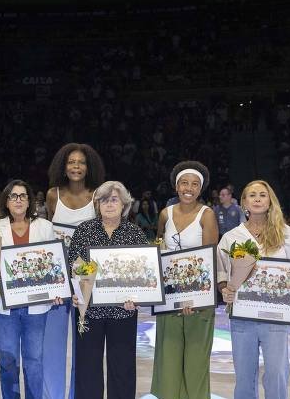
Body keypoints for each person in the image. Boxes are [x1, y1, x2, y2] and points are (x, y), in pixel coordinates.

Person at [217, 180, 290, 399]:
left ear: (270, 200)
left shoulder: (287, 233)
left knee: (276, 373)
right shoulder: (230, 237)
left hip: (277, 317)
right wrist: (224, 289)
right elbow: (222, 275)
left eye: (262, 195)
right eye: (252, 195)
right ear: (244, 202)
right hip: (242, 317)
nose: (257, 199)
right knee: (245, 378)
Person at [0, 180, 61, 399]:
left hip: (36, 306)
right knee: (7, 360)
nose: (18, 200)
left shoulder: (44, 227)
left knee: (34, 360)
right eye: (13, 196)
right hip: (2, 305)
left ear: (30, 201)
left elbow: (53, 265)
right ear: (6, 202)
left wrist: (57, 288)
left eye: (23, 196)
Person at [68, 181, 145, 399]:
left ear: (124, 204)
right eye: (103, 200)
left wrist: (138, 297)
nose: (109, 204)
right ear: (97, 204)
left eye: (114, 199)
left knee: (123, 367)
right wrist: (77, 290)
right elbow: (73, 265)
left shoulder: (135, 234)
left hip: (123, 310)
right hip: (89, 310)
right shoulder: (84, 231)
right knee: (87, 368)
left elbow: (142, 273)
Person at [150, 161, 219, 399]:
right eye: (184, 183)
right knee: (168, 356)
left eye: (195, 184)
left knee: (195, 360)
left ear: (201, 189)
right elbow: (159, 249)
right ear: (176, 186)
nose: (189, 188)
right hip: (170, 297)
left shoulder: (207, 215)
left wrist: (196, 299)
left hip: (198, 299)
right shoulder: (164, 214)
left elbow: (208, 260)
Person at [44, 142, 105, 399]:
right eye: (71, 162)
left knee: (85, 348)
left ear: (88, 166)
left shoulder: (97, 196)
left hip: (87, 283)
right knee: (53, 347)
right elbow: (48, 238)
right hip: (58, 284)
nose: (76, 167)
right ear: (63, 166)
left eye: (81, 162)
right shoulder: (52, 195)